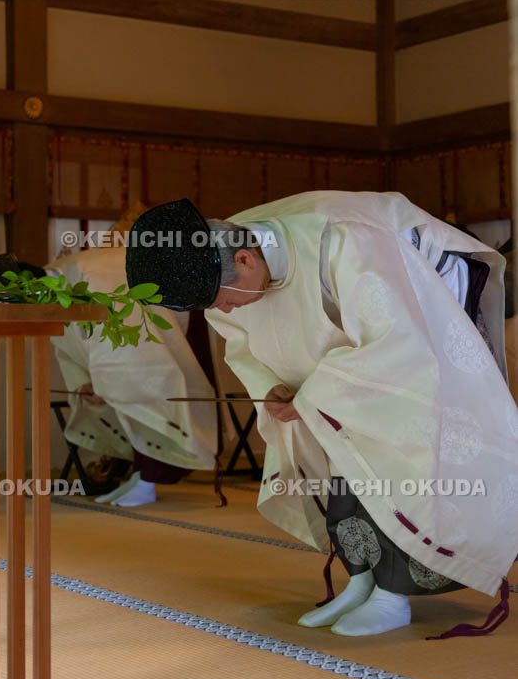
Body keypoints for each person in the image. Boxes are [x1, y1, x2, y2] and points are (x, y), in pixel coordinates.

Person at [125, 194, 518, 636]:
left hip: (423, 283)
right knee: (335, 438)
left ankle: (394, 593)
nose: (225, 312)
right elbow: (243, 342)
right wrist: (275, 387)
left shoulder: (347, 241)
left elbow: (398, 346)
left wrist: (315, 392)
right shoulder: (219, 251)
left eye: (222, 301)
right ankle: (363, 577)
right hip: (350, 325)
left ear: (245, 259)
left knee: (393, 437)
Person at [45, 244, 219, 506]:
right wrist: (85, 383)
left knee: (149, 390)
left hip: (171, 306)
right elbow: (70, 342)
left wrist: (104, 382)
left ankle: (149, 479)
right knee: (133, 393)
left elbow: (123, 330)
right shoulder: (56, 283)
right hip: (144, 315)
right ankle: (140, 476)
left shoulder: (82, 275)